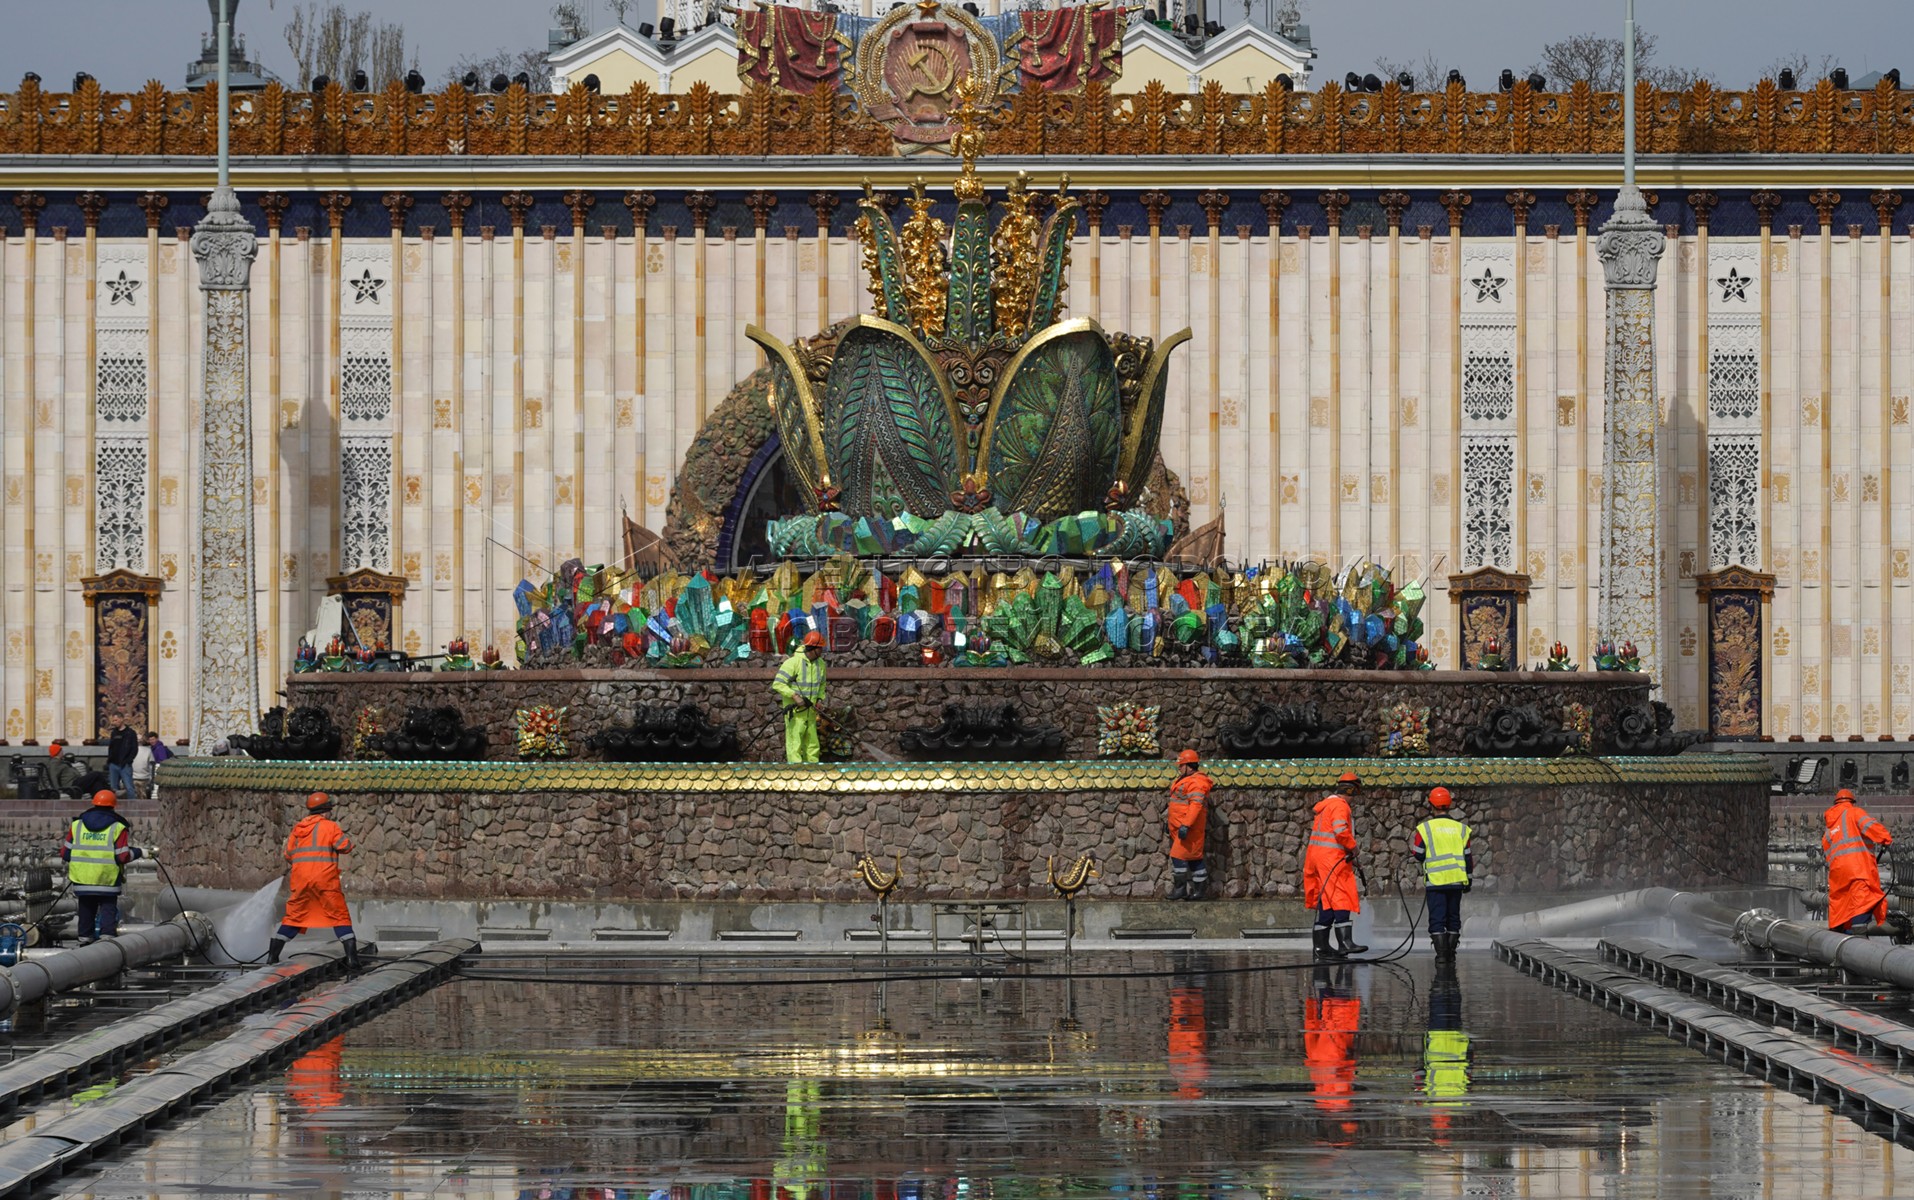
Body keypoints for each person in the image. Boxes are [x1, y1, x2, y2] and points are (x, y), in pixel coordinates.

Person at [268, 792, 362, 968]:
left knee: (294, 917)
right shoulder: (330, 827)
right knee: (339, 916)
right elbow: (345, 846)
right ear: (326, 810)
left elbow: (288, 854)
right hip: (325, 880)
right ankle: (352, 960)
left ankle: (272, 957)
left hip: (301, 881)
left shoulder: (298, 828)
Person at [59, 789, 152, 943]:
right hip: (107, 880)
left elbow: (65, 854)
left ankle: (84, 942)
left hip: (83, 880)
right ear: (113, 807)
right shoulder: (117, 827)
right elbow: (123, 856)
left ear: (94, 804)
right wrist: (139, 852)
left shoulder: (77, 825)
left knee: (86, 910)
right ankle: (107, 943)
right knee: (108, 910)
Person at [1304, 770, 1367, 961]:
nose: (1354, 799)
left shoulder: (1326, 805)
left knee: (1327, 900)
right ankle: (1345, 943)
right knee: (1341, 896)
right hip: (1332, 859)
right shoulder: (1340, 806)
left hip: (1318, 858)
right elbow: (1340, 831)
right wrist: (1353, 848)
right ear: (1351, 791)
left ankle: (1321, 948)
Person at [1412, 786, 1474, 962]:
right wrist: (1468, 880)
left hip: (1436, 882)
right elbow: (1468, 858)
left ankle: (1441, 956)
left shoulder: (1425, 829)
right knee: (1453, 918)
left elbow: (1417, 852)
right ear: (1449, 805)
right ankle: (1451, 953)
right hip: (1456, 881)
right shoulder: (1461, 829)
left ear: (1431, 805)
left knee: (1437, 919)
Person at [1823, 787, 1893, 932]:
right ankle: (1858, 937)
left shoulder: (1829, 829)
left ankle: (1839, 937)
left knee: (1843, 907)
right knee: (1861, 901)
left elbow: (1829, 855)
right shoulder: (1854, 812)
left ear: (1835, 804)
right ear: (1852, 802)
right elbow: (1870, 826)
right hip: (1858, 870)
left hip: (1838, 876)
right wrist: (1885, 838)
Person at [772, 630, 828, 763]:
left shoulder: (820, 664)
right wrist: (794, 696)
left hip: (811, 711)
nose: (822, 651)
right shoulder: (792, 663)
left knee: (812, 743)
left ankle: (813, 771)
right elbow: (778, 684)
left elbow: (822, 685)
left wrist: (819, 699)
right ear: (812, 649)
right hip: (795, 712)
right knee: (795, 743)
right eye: (820, 648)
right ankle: (796, 774)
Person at [1167, 749, 1212, 900]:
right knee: (1194, 859)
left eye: (1181, 765)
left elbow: (1195, 806)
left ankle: (1181, 890)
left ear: (1188, 765)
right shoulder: (1187, 779)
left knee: (1177, 856)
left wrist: (1186, 825)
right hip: (1182, 827)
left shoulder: (1196, 782)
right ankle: (1199, 892)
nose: (1179, 768)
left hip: (1189, 828)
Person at [105, 723, 139, 802]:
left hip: (125, 764)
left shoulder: (130, 733)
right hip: (113, 764)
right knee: (113, 788)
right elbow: (111, 747)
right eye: (113, 720)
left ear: (121, 719)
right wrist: (110, 760)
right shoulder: (114, 733)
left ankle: (132, 806)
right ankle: (112, 807)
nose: (114, 722)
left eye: (116, 720)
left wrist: (129, 760)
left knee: (129, 787)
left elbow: (134, 748)